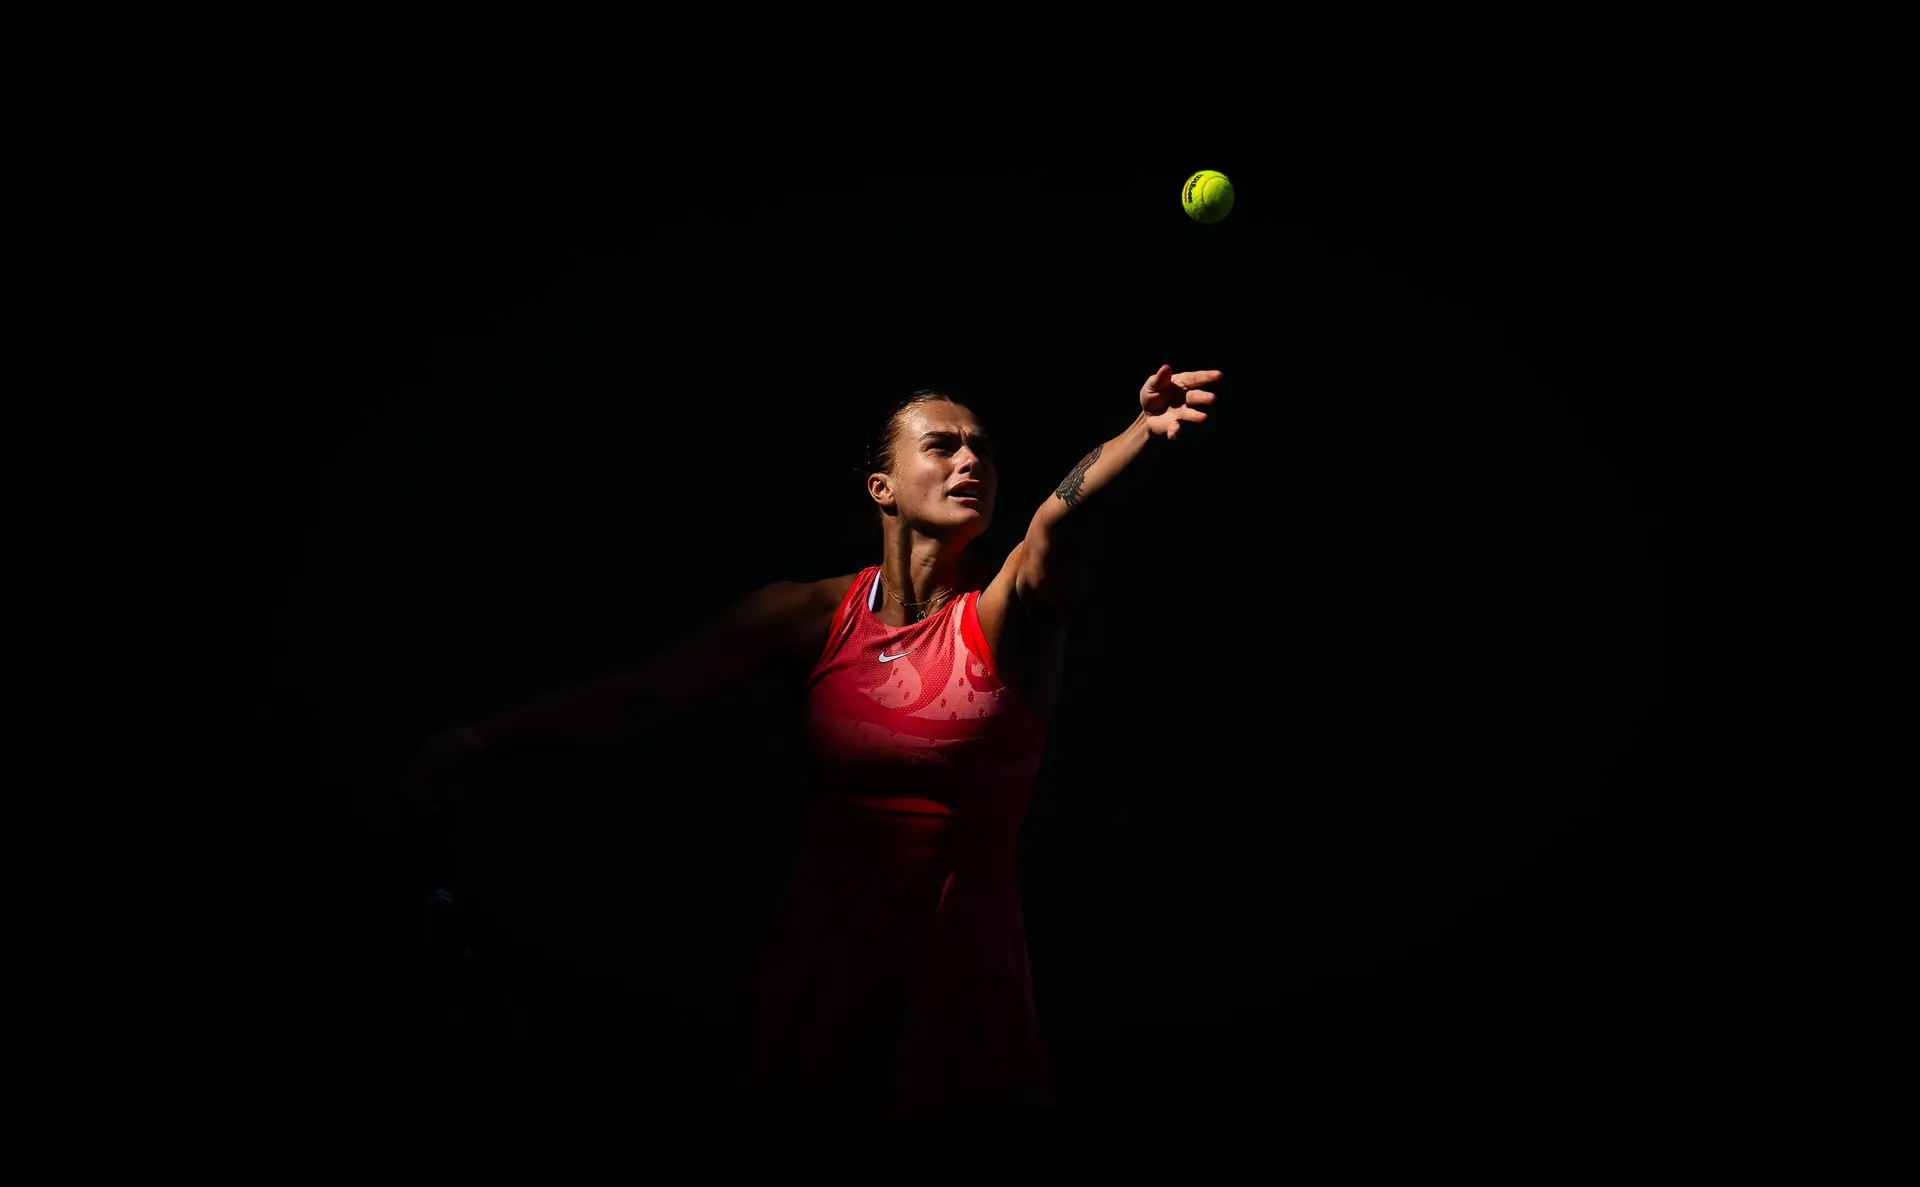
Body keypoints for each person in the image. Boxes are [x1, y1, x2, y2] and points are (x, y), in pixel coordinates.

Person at [399, 364, 1222, 1151]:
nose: (972, 457)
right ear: (882, 488)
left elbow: (1059, 519)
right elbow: (638, 696)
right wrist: (479, 741)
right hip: (818, 981)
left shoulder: (1008, 614)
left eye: (984, 448)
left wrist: (1140, 432)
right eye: (942, 444)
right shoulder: (804, 615)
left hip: (960, 994)